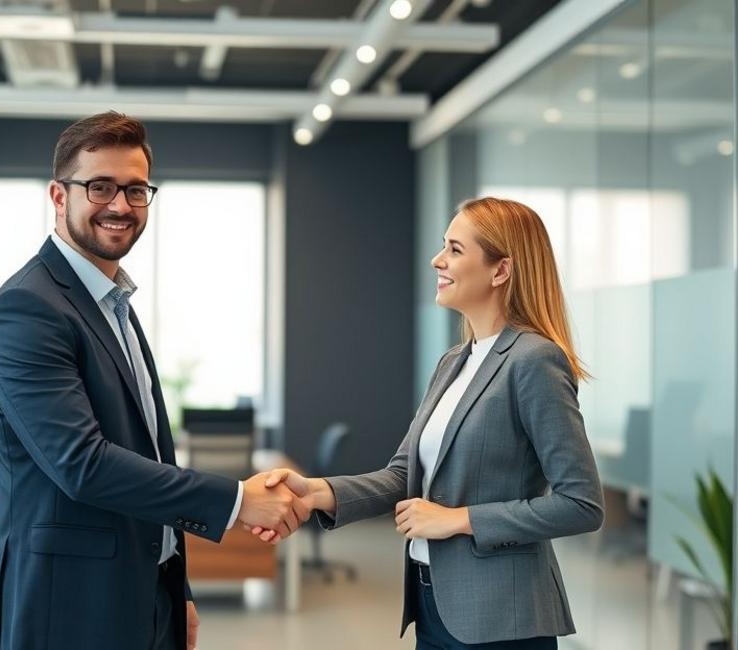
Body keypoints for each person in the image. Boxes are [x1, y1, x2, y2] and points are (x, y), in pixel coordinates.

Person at [0, 111, 307, 650]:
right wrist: (238, 501)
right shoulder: (27, 309)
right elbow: (83, 465)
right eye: (99, 187)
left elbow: (151, 454)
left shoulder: (114, 305)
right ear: (59, 197)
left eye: (135, 189)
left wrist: (178, 586)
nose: (120, 206)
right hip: (69, 607)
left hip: (144, 592)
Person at [255, 197, 605, 649]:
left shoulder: (534, 360)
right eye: (444, 246)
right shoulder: (454, 362)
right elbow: (405, 476)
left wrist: (459, 520)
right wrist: (318, 492)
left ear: (500, 271)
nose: (437, 260)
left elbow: (582, 503)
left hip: (501, 620)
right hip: (433, 604)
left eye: (456, 250)